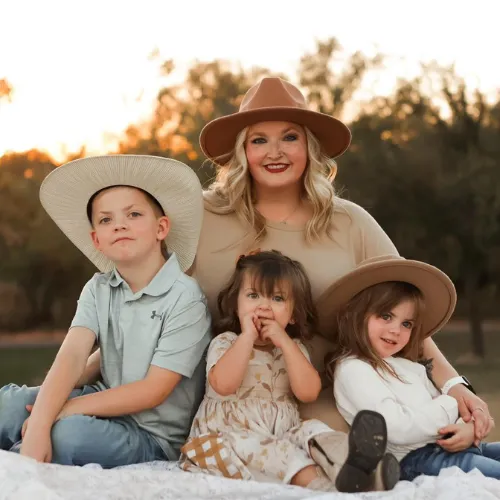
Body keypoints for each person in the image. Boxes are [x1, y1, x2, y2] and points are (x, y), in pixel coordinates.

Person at [80, 77, 493, 475]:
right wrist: (68, 382)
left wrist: (457, 387)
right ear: (242, 150)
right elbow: (145, 311)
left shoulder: (352, 223)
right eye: (259, 139)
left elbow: (406, 317)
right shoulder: (199, 218)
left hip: (331, 404)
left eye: (290, 137)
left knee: (427, 457)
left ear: (310, 147)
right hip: (224, 405)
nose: (274, 152)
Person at [0, 155, 212, 467]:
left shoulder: (186, 298)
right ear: (97, 240)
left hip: (150, 434)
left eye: (134, 214)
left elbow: (153, 391)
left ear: (161, 228)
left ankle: (18, 466)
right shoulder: (99, 288)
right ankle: (26, 445)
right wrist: (45, 412)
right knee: (9, 404)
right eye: (106, 220)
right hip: (99, 401)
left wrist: (64, 411)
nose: (120, 225)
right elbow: (72, 355)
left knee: (65, 434)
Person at [180, 250, 400, 493]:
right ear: (236, 305)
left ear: (294, 315)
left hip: (282, 435)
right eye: (253, 295)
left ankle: (356, 462)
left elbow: (308, 394)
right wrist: (248, 336)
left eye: (277, 299)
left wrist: (284, 342)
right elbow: (223, 385)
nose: (263, 306)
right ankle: (327, 485)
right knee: (277, 451)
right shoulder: (227, 342)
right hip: (225, 441)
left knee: (313, 430)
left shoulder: (293, 349)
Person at [322, 254, 499, 480]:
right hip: (416, 459)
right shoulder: (353, 369)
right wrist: (451, 402)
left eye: (406, 323)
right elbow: (395, 427)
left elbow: (446, 412)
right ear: (356, 315)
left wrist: (467, 428)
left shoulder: (409, 367)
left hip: (451, 447)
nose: (396, 329)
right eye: (386, 316)